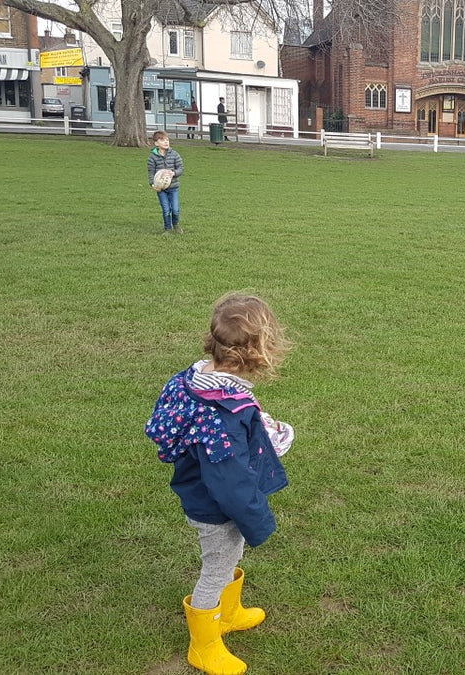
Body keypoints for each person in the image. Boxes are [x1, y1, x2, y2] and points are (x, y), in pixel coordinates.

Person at [146, 292, 295, 675]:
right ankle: (204, 644)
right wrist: (258, 519)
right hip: (215, 508)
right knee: (217, 566)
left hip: (205, 492)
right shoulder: (225, 414)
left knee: (231, 556)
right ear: (259, 350)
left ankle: (228, 613)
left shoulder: (200, 382)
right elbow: (232, 482)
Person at [147, 130, 185, 234]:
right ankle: (167, 228)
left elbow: (181, 168)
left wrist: (174, 173)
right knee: (166, 209)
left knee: (175, 209)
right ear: (156, 143)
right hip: (161, 189)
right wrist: (153, 184)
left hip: (173, 187)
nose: (166, 142)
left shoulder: (174, 154)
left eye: (167, 140)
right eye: (162, 140)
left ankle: (176, 225)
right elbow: (151, 173)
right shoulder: (152, 158)